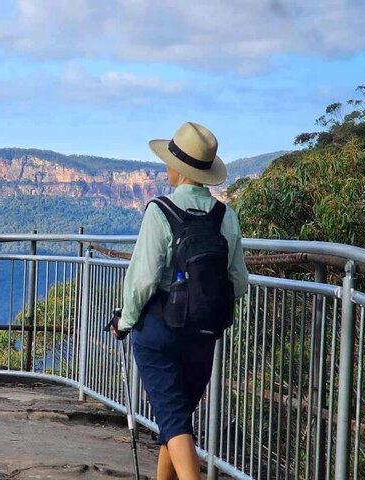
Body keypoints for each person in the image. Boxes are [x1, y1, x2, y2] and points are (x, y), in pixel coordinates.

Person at [111, 122, 249, 480]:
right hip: (204, 333)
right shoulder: (225, 215)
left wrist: (125, 321)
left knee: (173, 419)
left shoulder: (160, 211)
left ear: (178, 168)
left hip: (160, 330)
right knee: (176, 420)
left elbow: (141, 279)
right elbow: (239, 283)